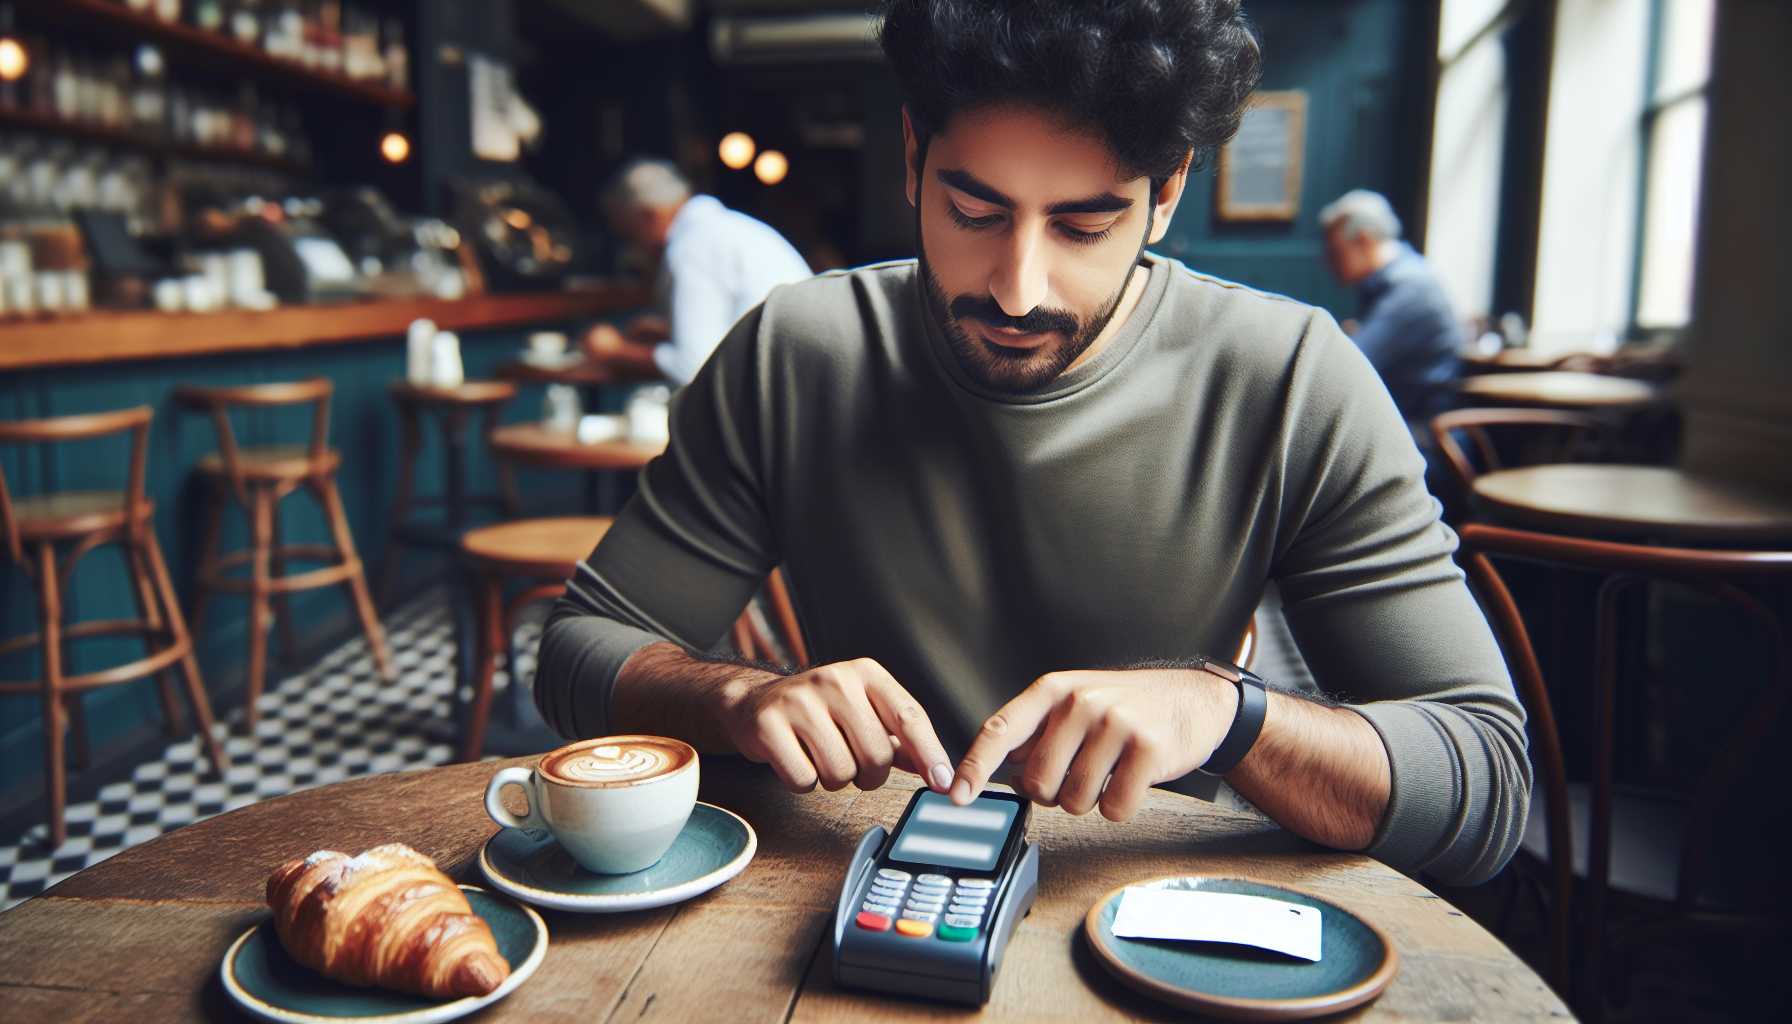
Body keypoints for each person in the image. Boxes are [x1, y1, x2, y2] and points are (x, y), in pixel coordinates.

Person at [538, 0, 1528, 886]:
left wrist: (1227, 716)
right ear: (914, 153)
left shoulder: (1290, 378)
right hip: (857, 895)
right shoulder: (796, 352)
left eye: (1085, 225)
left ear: (1168, 189)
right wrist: (733, 699)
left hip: (1158, 914)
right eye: (974, 211)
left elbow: (1482, 785)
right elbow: (578, 655)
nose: (1017, 288)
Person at [583, 159, 812, 385]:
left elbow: (693, 367)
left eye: (629, 235)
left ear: (647, 216)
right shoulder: (727, 227)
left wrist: (613, 351)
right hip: (798, 380)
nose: (632, 249)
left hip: (777, 393)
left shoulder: (692, 246)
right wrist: (667, 334)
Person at [1319, 189, 1464, 432]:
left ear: (1364, 240)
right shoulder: (1393, 283)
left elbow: (1351, 364)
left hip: (1421, 435)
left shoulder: (1412, 289)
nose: (1327, 261)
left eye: (1335, 251)